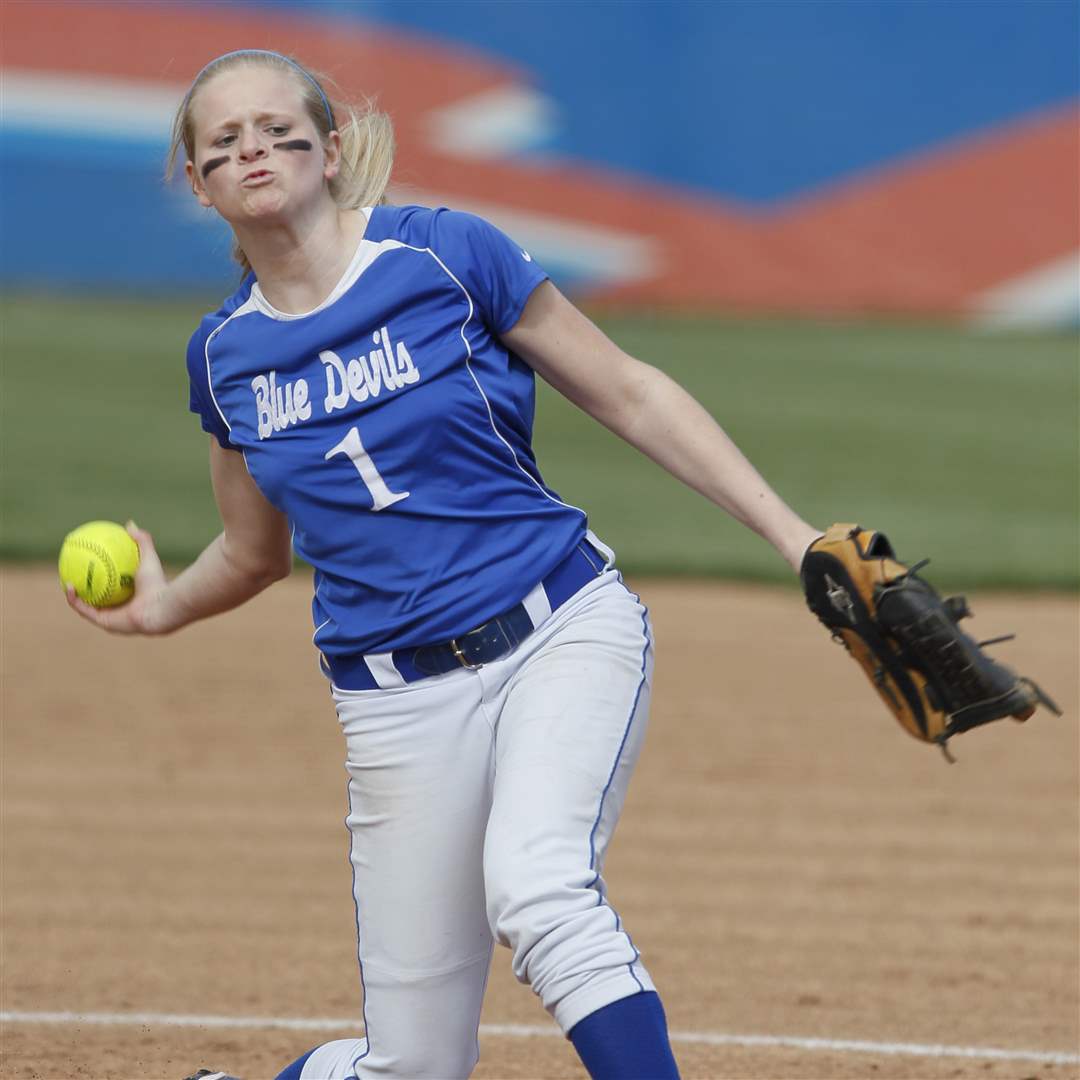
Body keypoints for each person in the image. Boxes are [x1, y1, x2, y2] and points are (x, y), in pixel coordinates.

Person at [67, 49, 821, 1080]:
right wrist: (162, 609)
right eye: (224, 142)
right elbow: (251, 551)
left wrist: (794, 535)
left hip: (557, 626)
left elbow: (629, 391)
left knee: (540, 887)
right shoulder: (224, 356)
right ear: (199, 184)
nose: (253, 150)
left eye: (277, 129)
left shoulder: (444, 254)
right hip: (392, 701)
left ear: (332, 149)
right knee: (414, 1067)